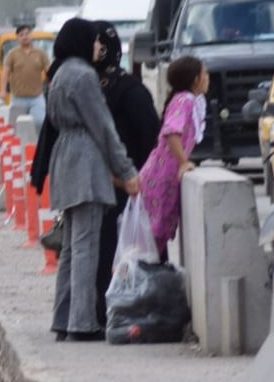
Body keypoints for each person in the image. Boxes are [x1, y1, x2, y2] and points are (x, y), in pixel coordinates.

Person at [45, 18, 139, 342]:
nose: (100, 46)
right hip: (85, 160)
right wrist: (126, 171)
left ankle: (64, 318)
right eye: (95, 40)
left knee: (72, 248)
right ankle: (83, 323)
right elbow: (103, 128)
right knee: (86, 246)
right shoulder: (84, 76)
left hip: (65, 156)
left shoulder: (59, 73)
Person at [90, 21, 162, 327]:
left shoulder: (128, 91)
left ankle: (131, 313)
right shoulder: (88, 86)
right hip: (106, 184)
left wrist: (134, 178)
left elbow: (151, 141)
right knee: (105, 254)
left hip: (129, 186)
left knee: (128, 254)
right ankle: (112, 312)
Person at [139, 56, 209, 262]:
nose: (207, 77)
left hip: (164, 175)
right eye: (204, 73)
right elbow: (172, 132)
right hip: (161, 176)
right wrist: (183, 162)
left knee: (154, 236)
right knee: (153, 234)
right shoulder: (185, 101)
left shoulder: (188, 100)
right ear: (196, 79)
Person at [0, 23, 50, 130]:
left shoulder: (40, 53)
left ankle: (36, 145)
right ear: (18, 38)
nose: (25, 37)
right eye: (21, 35)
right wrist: (2, 90)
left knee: (39, 122)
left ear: (31, 35)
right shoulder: (12, 54)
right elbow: (5, 73)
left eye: (27, 34)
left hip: (37, 97)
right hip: (18, 97)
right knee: (17, 127)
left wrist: (51, 85)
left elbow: (49, 71)